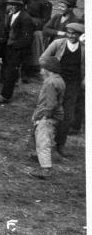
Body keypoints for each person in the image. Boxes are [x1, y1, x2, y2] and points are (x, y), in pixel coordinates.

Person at [41, 23, 84, 153]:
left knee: (67, 115)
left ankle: (60, 144)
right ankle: (40, 143)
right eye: (69, 33)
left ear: (80, 35)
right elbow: (43, 58)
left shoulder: (84, 49)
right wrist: (48, 77)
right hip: (57, 82)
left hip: (73, 85)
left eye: (74, 34)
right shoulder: (58, 44)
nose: (71, 36)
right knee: (47, 110)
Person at [29, 56, 65, 180]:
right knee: (46, 138)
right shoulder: (59, 79)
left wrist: (44, 116)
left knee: (43, 141)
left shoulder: (50, 82)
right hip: (55, 115)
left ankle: (45, 169)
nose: (40, 71)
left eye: (42, 68)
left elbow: (50, 103)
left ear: (48, 69)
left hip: (48, 115)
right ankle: (41, 158)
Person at [0, 0, 35, 104]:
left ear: (19, 6)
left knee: (11, 71)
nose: (10, 6)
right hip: (9, 48)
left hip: (18, 50)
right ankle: (6, 89)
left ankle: (6, 96)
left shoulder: (25, 18)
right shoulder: (11, 15)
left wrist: (14, 46)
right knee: (6, 70)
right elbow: (7, 31)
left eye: (13, 4)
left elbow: (27, 38)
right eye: (10, 4)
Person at [23, 0, 53, 79]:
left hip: (37, 27)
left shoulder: (46, 3)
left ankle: (32, 69)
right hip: (25, 23)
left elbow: (46, 20)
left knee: (35, 45)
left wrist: (33, 21)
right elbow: (21, 6)